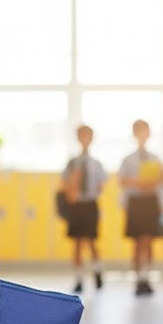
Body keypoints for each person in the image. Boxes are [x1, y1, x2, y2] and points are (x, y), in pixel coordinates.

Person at [58, 124, 107, 294]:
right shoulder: (72, 163)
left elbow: (101, 187)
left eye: (88, 136)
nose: (85, 139)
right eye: (82, 136)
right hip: (77, 205)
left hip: (90, 204)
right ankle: (79, 279)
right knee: (77, 243)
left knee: (92, 242)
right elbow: (64, 186)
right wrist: (74, 180)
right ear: (78, 138)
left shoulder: (97, 164)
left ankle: (98, 273)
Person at [118, 119, 162, 296]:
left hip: (150, 201)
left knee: (149, 241)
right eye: (140, 131)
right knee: (137, 242)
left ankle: (146, 277)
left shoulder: (155, 159)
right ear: (135, 134)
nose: (143, 135)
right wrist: (141, 182)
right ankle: (137, 279)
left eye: (146, 131)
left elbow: (161, 180)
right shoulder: (128, 160)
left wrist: (151, 182)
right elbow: (122, 180)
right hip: (135, 202)